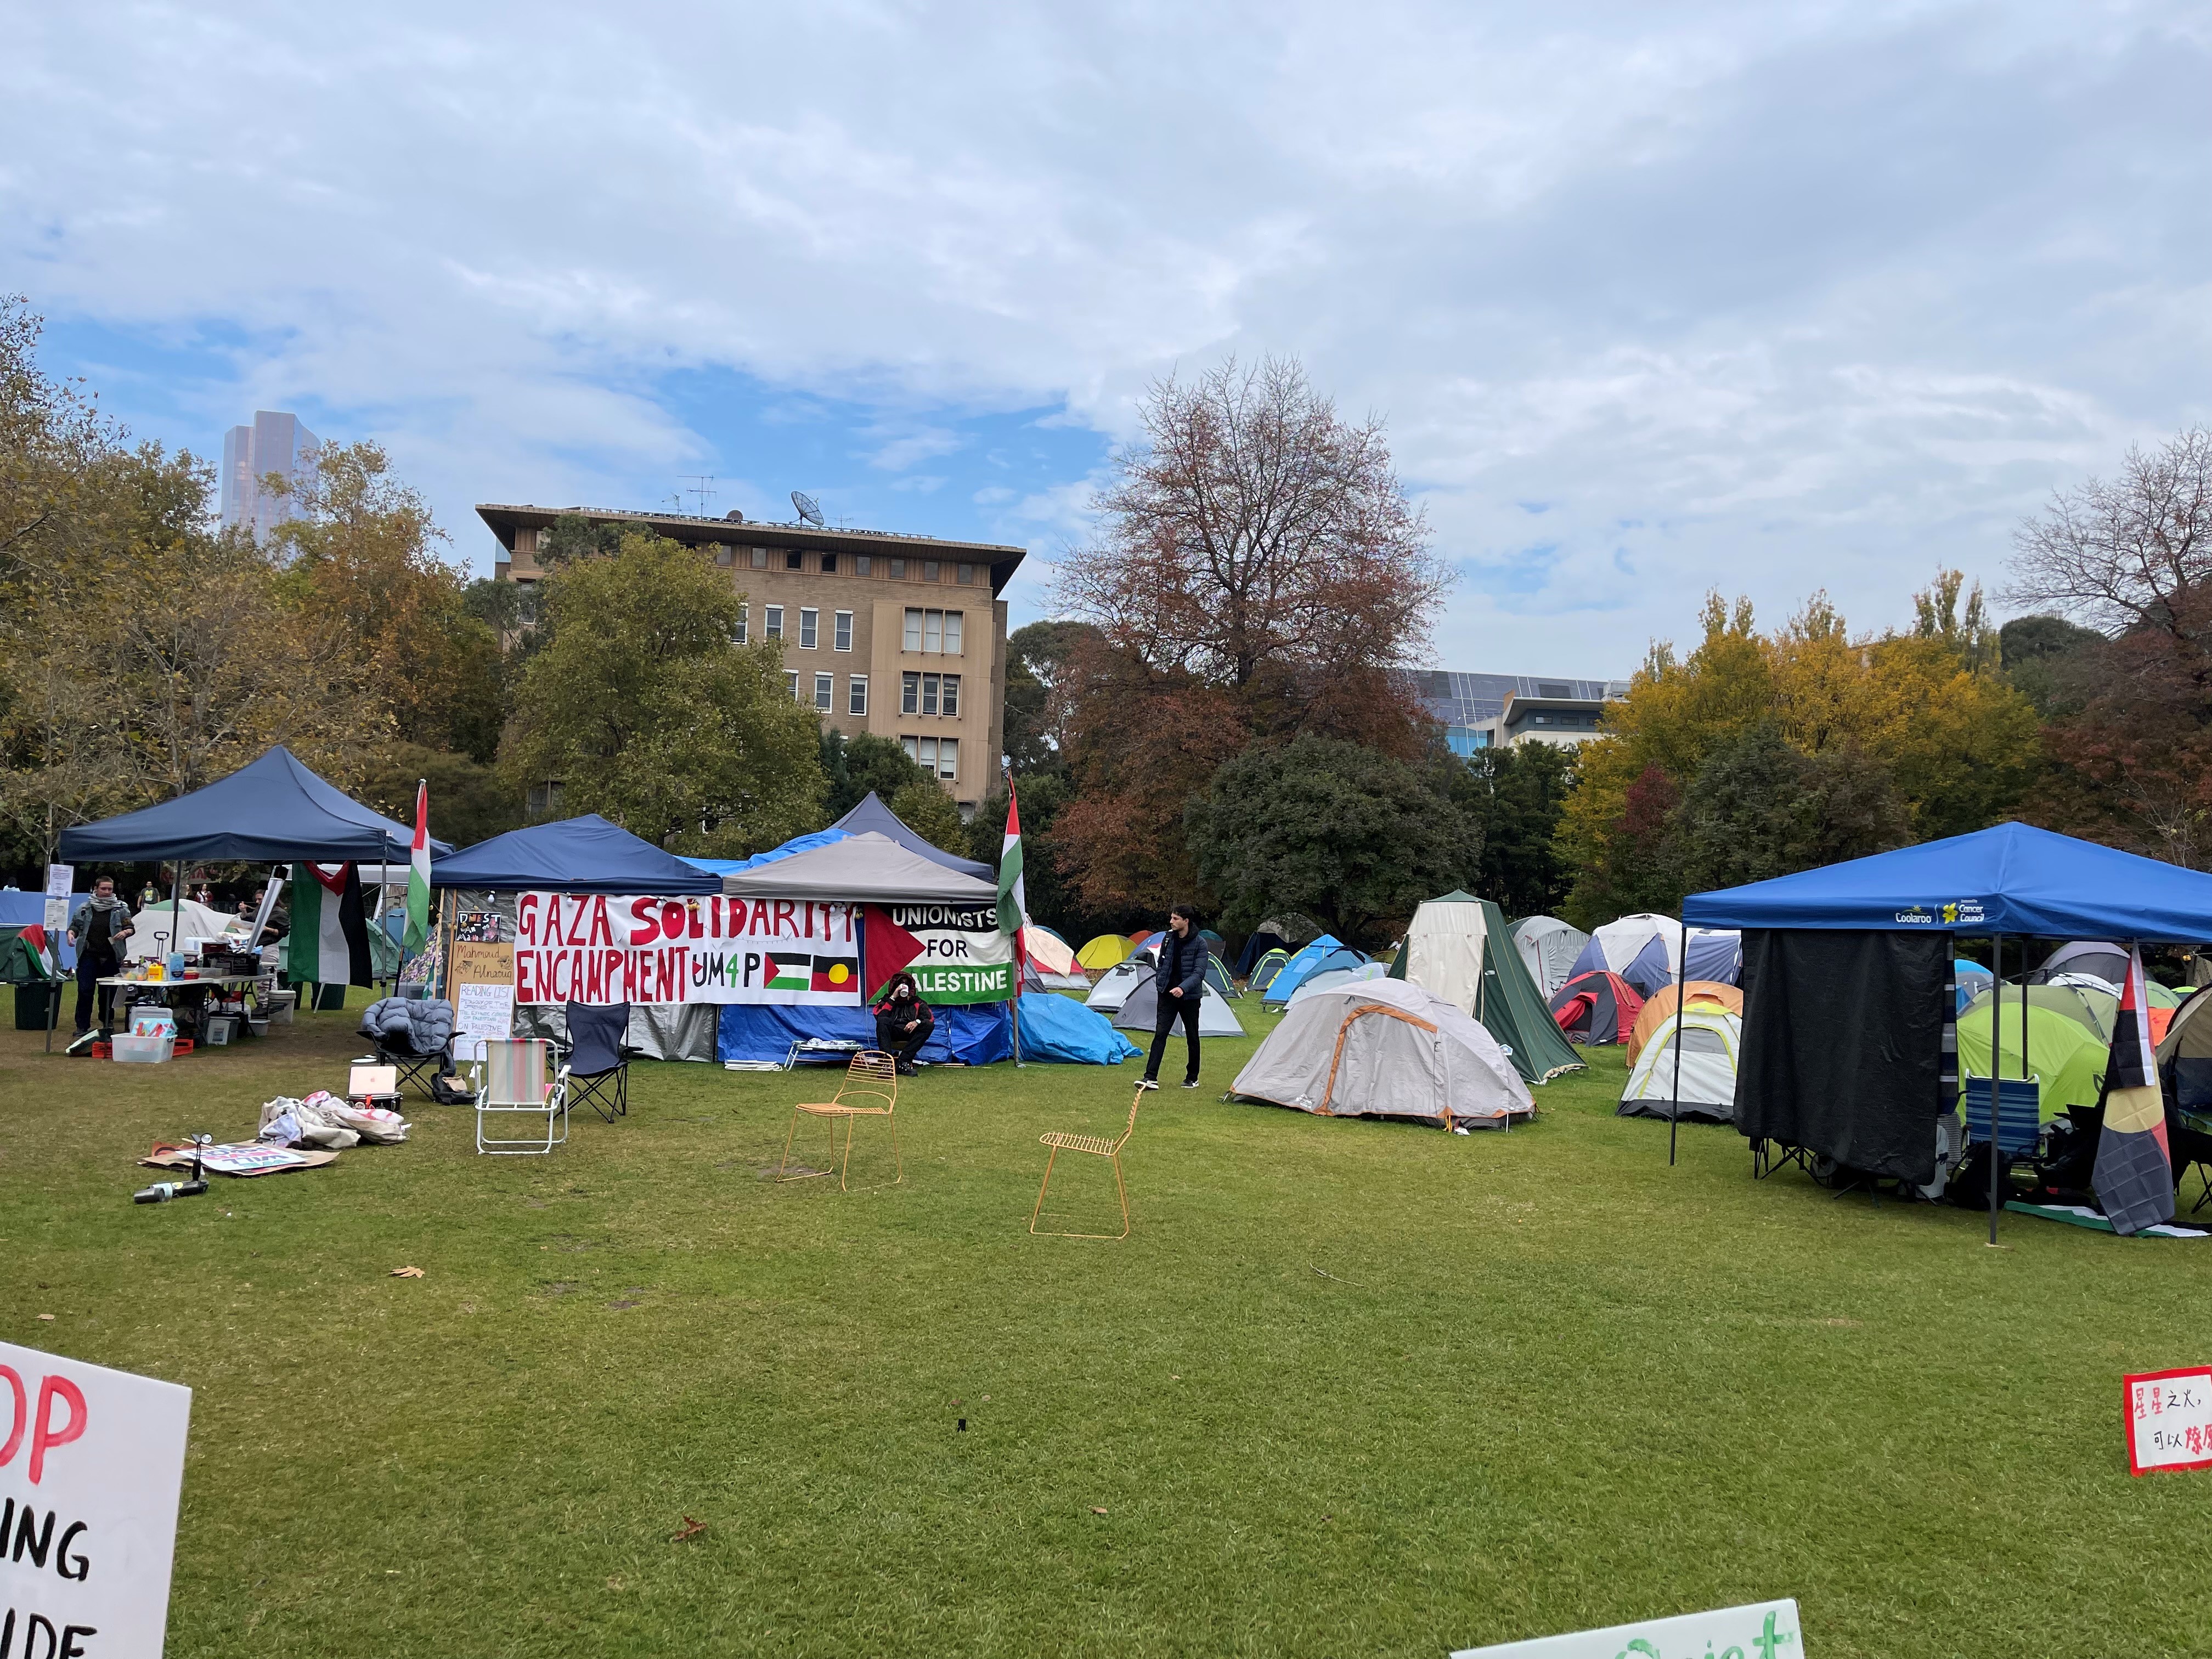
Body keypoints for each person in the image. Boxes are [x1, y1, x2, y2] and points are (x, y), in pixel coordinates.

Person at [1141, 903, 1207, 1090]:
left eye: (1176, 919)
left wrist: (1182, 988)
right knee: (1160, 1034)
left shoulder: (1200, 944)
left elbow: (1199, 973)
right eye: (1171, 917)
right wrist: (1161, 983)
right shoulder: (1168, 938)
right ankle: (1150, 1077)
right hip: (1167, 995)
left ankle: (1192, 1077)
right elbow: (1161, 963)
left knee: (1192, 1037)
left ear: (1186, 921)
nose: (1171, 921)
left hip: (1189, 997)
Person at [66, 876, 134, 1051]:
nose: (107, 892)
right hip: (89, 954)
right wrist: (71, 934)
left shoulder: (121, 908)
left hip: (111, 955)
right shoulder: (84, 908)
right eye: (104, 889)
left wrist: (126, 932)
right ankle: (82, 1027)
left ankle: (107, 1023)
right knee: (85, 991)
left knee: (108, 993)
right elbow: (75, 926)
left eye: (110, 889)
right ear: (96, 888)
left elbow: (130, 927)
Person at [873, 971, 934, 1075]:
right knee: (883, 1020)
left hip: (910, 1033)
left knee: (928, 1026)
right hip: (892, 1032)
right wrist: (893, 997)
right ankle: (887, 1063)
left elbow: (930, 1018)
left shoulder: (917, 1002)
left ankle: (903, 1062)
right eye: (901, 983)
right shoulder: (887, 1000)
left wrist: (916, 1022)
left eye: (907, 984)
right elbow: (879, 1015)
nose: (904, 985)